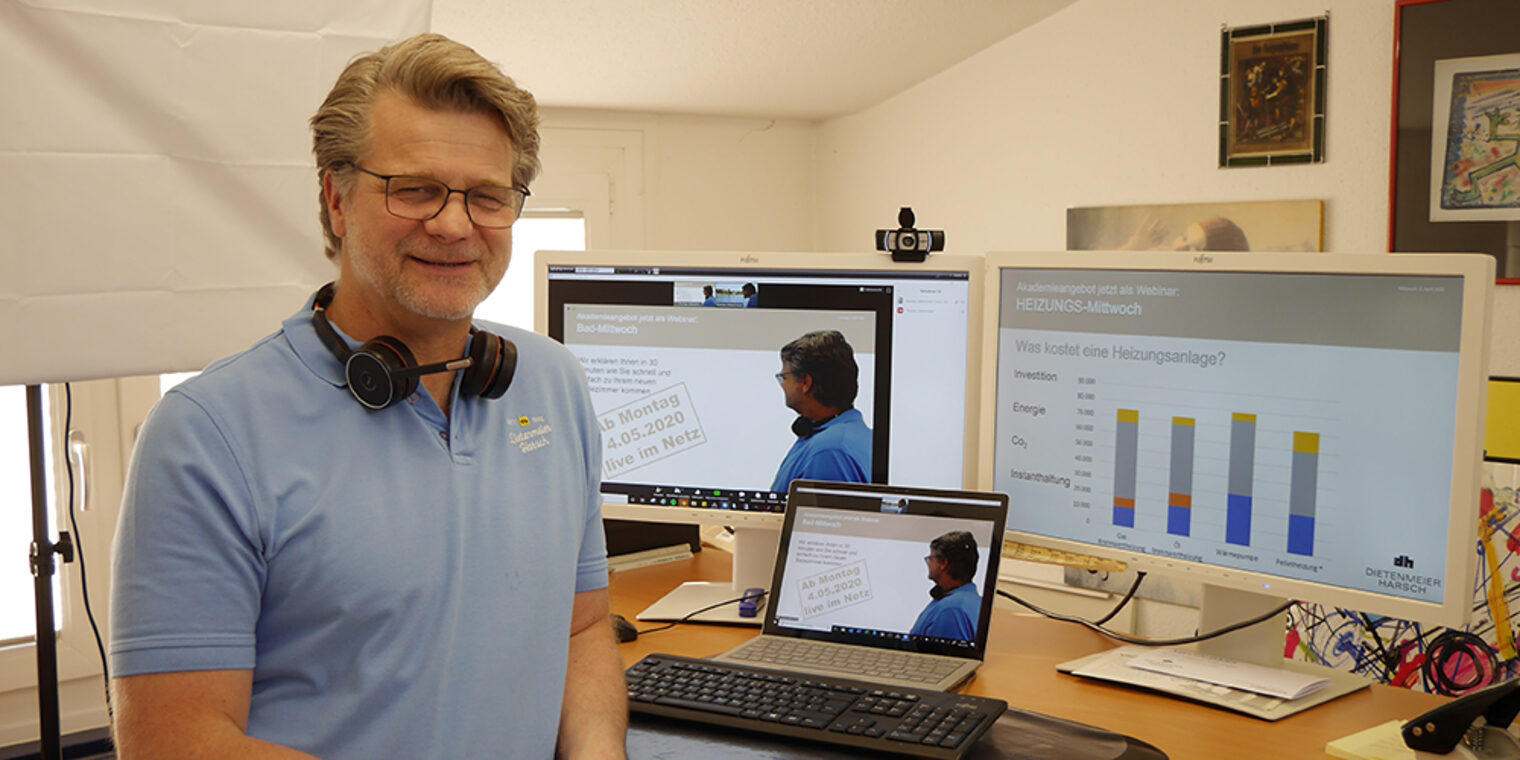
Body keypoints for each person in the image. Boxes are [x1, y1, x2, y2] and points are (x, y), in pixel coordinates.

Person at [108, 34, 626, 759]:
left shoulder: (553, 383)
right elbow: (174, 741)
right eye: (413, 188)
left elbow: (582, 629)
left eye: (486, 196)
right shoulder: (205, 434)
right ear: (336, 197)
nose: (453, 225)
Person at [769, 330, 872, 492]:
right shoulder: (854, 436)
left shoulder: (829, 451)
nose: (781, 385)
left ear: (806, 382)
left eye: (783, 378)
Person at [909, 531, 982, 641]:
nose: (928, 563)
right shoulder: (971, 600)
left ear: (943, 563)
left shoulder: (950, 611)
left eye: (930, 559)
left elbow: (935, 656)